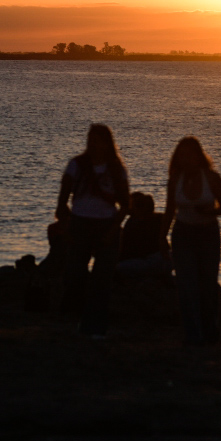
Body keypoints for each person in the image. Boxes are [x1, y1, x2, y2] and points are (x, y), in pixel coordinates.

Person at [54, 124, 130, 338]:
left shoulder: (116, 169)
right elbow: (62, 200)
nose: (94, 143)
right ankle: (78, 319)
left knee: (102, 280)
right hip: (80, 224)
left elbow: (125, 203)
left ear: (107, 142)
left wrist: (113, 229)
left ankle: (95, 327)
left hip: (107, 224)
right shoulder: (76, 165)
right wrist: (66, 225)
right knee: (75, 275)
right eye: (91, 138)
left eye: (98, 139)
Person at [162, 137, 221, 346]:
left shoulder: (211, 178)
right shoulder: (175, 179)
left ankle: (210, 332)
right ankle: (193, 335)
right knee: (186, 285)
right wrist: (161, 237)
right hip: (182, 234)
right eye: (182, 155)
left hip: (208, 233)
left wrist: (211, 211)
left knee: (208, 285)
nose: (186, 159)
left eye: (190, 154)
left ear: (199, 156)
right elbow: (169, 211)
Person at [116, 192, 171, 279]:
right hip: (164, 261)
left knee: (117, 267)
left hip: (147, 262)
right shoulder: (160, 219)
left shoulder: (133, 224)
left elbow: (126, 252)